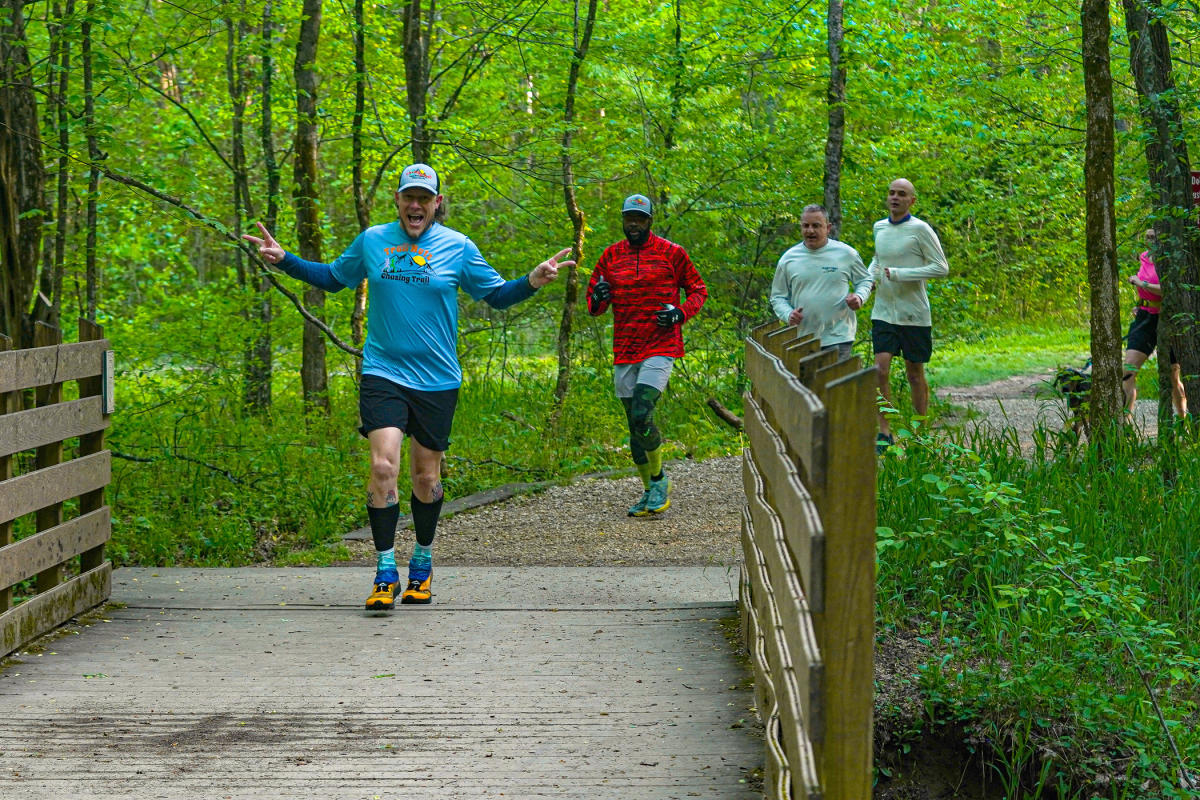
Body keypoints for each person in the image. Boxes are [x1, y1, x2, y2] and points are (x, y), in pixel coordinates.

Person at [243, 163, 572, 610]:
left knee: (425, 476)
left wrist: (532, 282)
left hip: (437, 378)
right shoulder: (373, 240)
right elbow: (333, 279)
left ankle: (422, 561)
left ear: (437, 203)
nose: (415, 205)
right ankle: (384, 571)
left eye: (424, 198)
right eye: (408, 197)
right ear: (397, 200)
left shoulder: (458, 247)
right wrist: (287, 262)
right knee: (383, 468)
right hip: (384, 371)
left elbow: (495, 295)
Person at [585, 194, 707, 517]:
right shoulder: (610, 257)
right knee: (633, 425)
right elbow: (593, 307)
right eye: (629, 218)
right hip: (625, 349)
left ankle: (659, 480)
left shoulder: (672, 253)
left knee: (642, 411)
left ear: (650, 220)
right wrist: (598, 297)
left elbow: (699, 290)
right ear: (623, 220)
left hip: (660, 346)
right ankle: (648, 490)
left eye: (640, 218)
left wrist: (680, 314)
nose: (634, 224)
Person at [868, 178, 949, 453]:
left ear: (911, 200)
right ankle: (885, 431)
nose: (895, 198)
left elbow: (941, 267)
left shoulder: (921, 230)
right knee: (880, 369)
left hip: (914, 313)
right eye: (891, 193)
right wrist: (864, 289)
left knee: (915, 374)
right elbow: (877, 262)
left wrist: (903, 275)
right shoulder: (879, 227)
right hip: (883, 311)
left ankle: (919, 431)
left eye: (901, 194)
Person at [769, 204, 872, 361]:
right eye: (806, 226)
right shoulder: (788, 259)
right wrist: (788, 314)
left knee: (836, 385)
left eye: (816, 226)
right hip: (802, 339)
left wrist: (859, 297)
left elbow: (865, 279)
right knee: (804, 386)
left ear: (828, 227)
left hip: (839, 336)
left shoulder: (846, 253)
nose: (810, 231)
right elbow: (777, 297)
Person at [1123, 228, 1187, 419]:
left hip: (1168, 319)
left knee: (1173, 377)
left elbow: (1169, 289)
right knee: (1128, 371)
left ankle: (1184, 421)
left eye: (1154, 237)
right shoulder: (1143, 257)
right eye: (1147, 237)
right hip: (1145, 318)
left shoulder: (1169, 260)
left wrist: (1141, 283)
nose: (1150, 241)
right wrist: (1141, 303)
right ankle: (1125, 422)